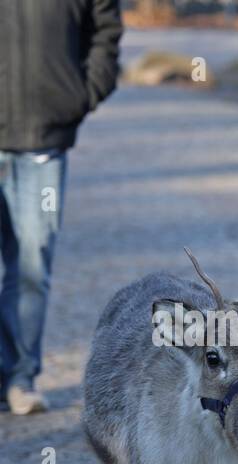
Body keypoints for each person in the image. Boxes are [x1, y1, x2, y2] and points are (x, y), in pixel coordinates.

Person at [0, 0, 122, 415]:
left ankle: (20, 377)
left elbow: (106, 30)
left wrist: (80, 95)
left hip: (43, 138)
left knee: (33, 264)